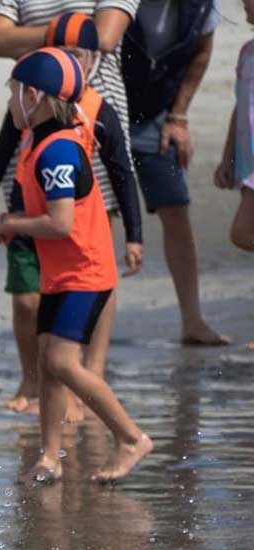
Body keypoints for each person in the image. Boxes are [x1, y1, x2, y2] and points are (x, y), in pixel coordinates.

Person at [0, 50, 154, 484]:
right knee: (47, 363)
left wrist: (10, 223)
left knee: (62, 362)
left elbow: (61, 223)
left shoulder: (58, 150)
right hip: (60, 274)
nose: (9, 103)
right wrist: (16, 226)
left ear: (36, 96)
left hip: (86, 273)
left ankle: (131, 436)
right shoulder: (38, 142)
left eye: (13, 93)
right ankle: (49, 457)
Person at [0, 13, 147, 415]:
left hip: (85, 221)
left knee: (91, 295)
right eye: (60, 54)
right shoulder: (27, 101)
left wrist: (134, 233)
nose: (70, 63)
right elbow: (1, 153)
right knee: (26, 301)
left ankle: (90, 374)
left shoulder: (99, 108)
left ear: (92, 59)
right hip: (26, 213)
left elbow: (122, 170)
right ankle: (33, 378)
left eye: (78, 55)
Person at [122, 0, 227, 345]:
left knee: (176, 210)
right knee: (98, 214)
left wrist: (179, 114)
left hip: (158, 115)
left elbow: (202, 50)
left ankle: (192, 321)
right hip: (108, 107)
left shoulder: (201, 5)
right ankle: (83, 332)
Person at [217, 0, 254, 271]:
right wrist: (227, 157)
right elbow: (240, 105)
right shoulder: (247, 53)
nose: (244, 2)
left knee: (241, 233)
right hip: (248, 162)